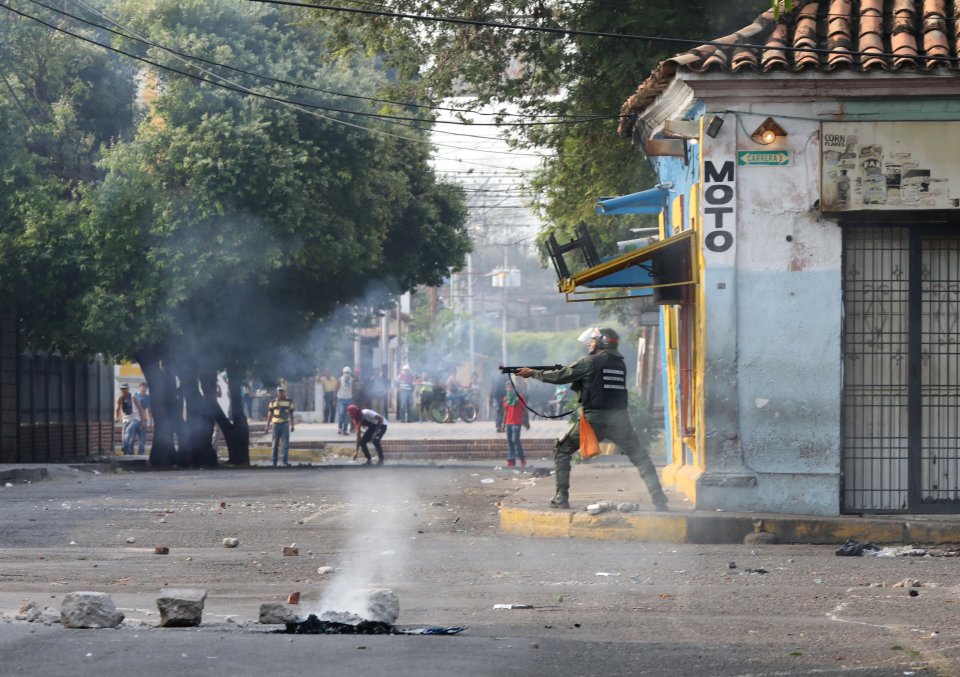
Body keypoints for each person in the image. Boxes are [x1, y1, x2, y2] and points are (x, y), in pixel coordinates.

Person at [517, 327, 668, 511]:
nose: (589, 343)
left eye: (592, 340)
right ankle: (659, 499)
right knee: (641, 457)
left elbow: (560, 376)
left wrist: (532, 373)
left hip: (595, 418)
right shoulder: (619, 364)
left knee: (562, 449)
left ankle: (560, 497)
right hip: (620, 420)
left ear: (601, 341)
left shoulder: (589, 362)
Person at [264, 384, 295, 466]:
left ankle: (284, 461)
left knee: (285, 444)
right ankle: (274, 462)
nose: (281, 393)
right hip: (275, 424)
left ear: (285, 392)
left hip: (285, 424)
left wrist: (292, 425)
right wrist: (267, 425)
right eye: (279, 391)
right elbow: (270, 414)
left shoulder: (289, 401)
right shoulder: (273, 402)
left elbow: (291, 414)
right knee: (275, 444)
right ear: (277, 392)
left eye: (282, 391)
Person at [503, 379, 529, 467]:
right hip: (508, 423)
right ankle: (511, 460)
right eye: (507, 387)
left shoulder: (519, 398)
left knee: (515, 440)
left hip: (517, 422)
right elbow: (505, 412)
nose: (509, 388)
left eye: (510, 386)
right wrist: (503, 424)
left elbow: (525, 411)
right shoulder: (506, 399)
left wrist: (527, 423)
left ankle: (522, 458)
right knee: (510, 441)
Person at [115, 383, 146, 456]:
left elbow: (140, 409)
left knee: (129, 430)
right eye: (122, 389)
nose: (124, 390)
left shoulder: (133, 397)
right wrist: (116, 417)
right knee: (125, 436)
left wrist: (142, 420)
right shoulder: (119, 398)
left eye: (125, 389)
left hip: (135, 418)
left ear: (128, 389)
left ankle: (124, 447)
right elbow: (117, 409)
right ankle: (128, 452)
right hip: (125, 419)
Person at [133, 382, 152, 455]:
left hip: (144, 420)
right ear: (139, 388)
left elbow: (150, 410)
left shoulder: (148, 397)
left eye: (145, 388)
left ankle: (140, 454)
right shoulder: (136, 396)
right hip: (135, 419)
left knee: (142, 438)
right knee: (132, 438)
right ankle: (129, 453)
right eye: (142, 387)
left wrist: (151, 421)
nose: (144, 389)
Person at [336, 366, 354, 435]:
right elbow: (336, 390)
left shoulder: (352, 380)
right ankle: (340, 428)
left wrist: (353, 400)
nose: (347, 374)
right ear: (343, 373)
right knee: (341, 414)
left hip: (349, 399)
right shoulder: (339, 380)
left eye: (348, 372)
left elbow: (353, 390)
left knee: (347, 415)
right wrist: (334, 400)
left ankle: (345, 430)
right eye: (346, 372)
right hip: (341, 399)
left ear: (350, 373)